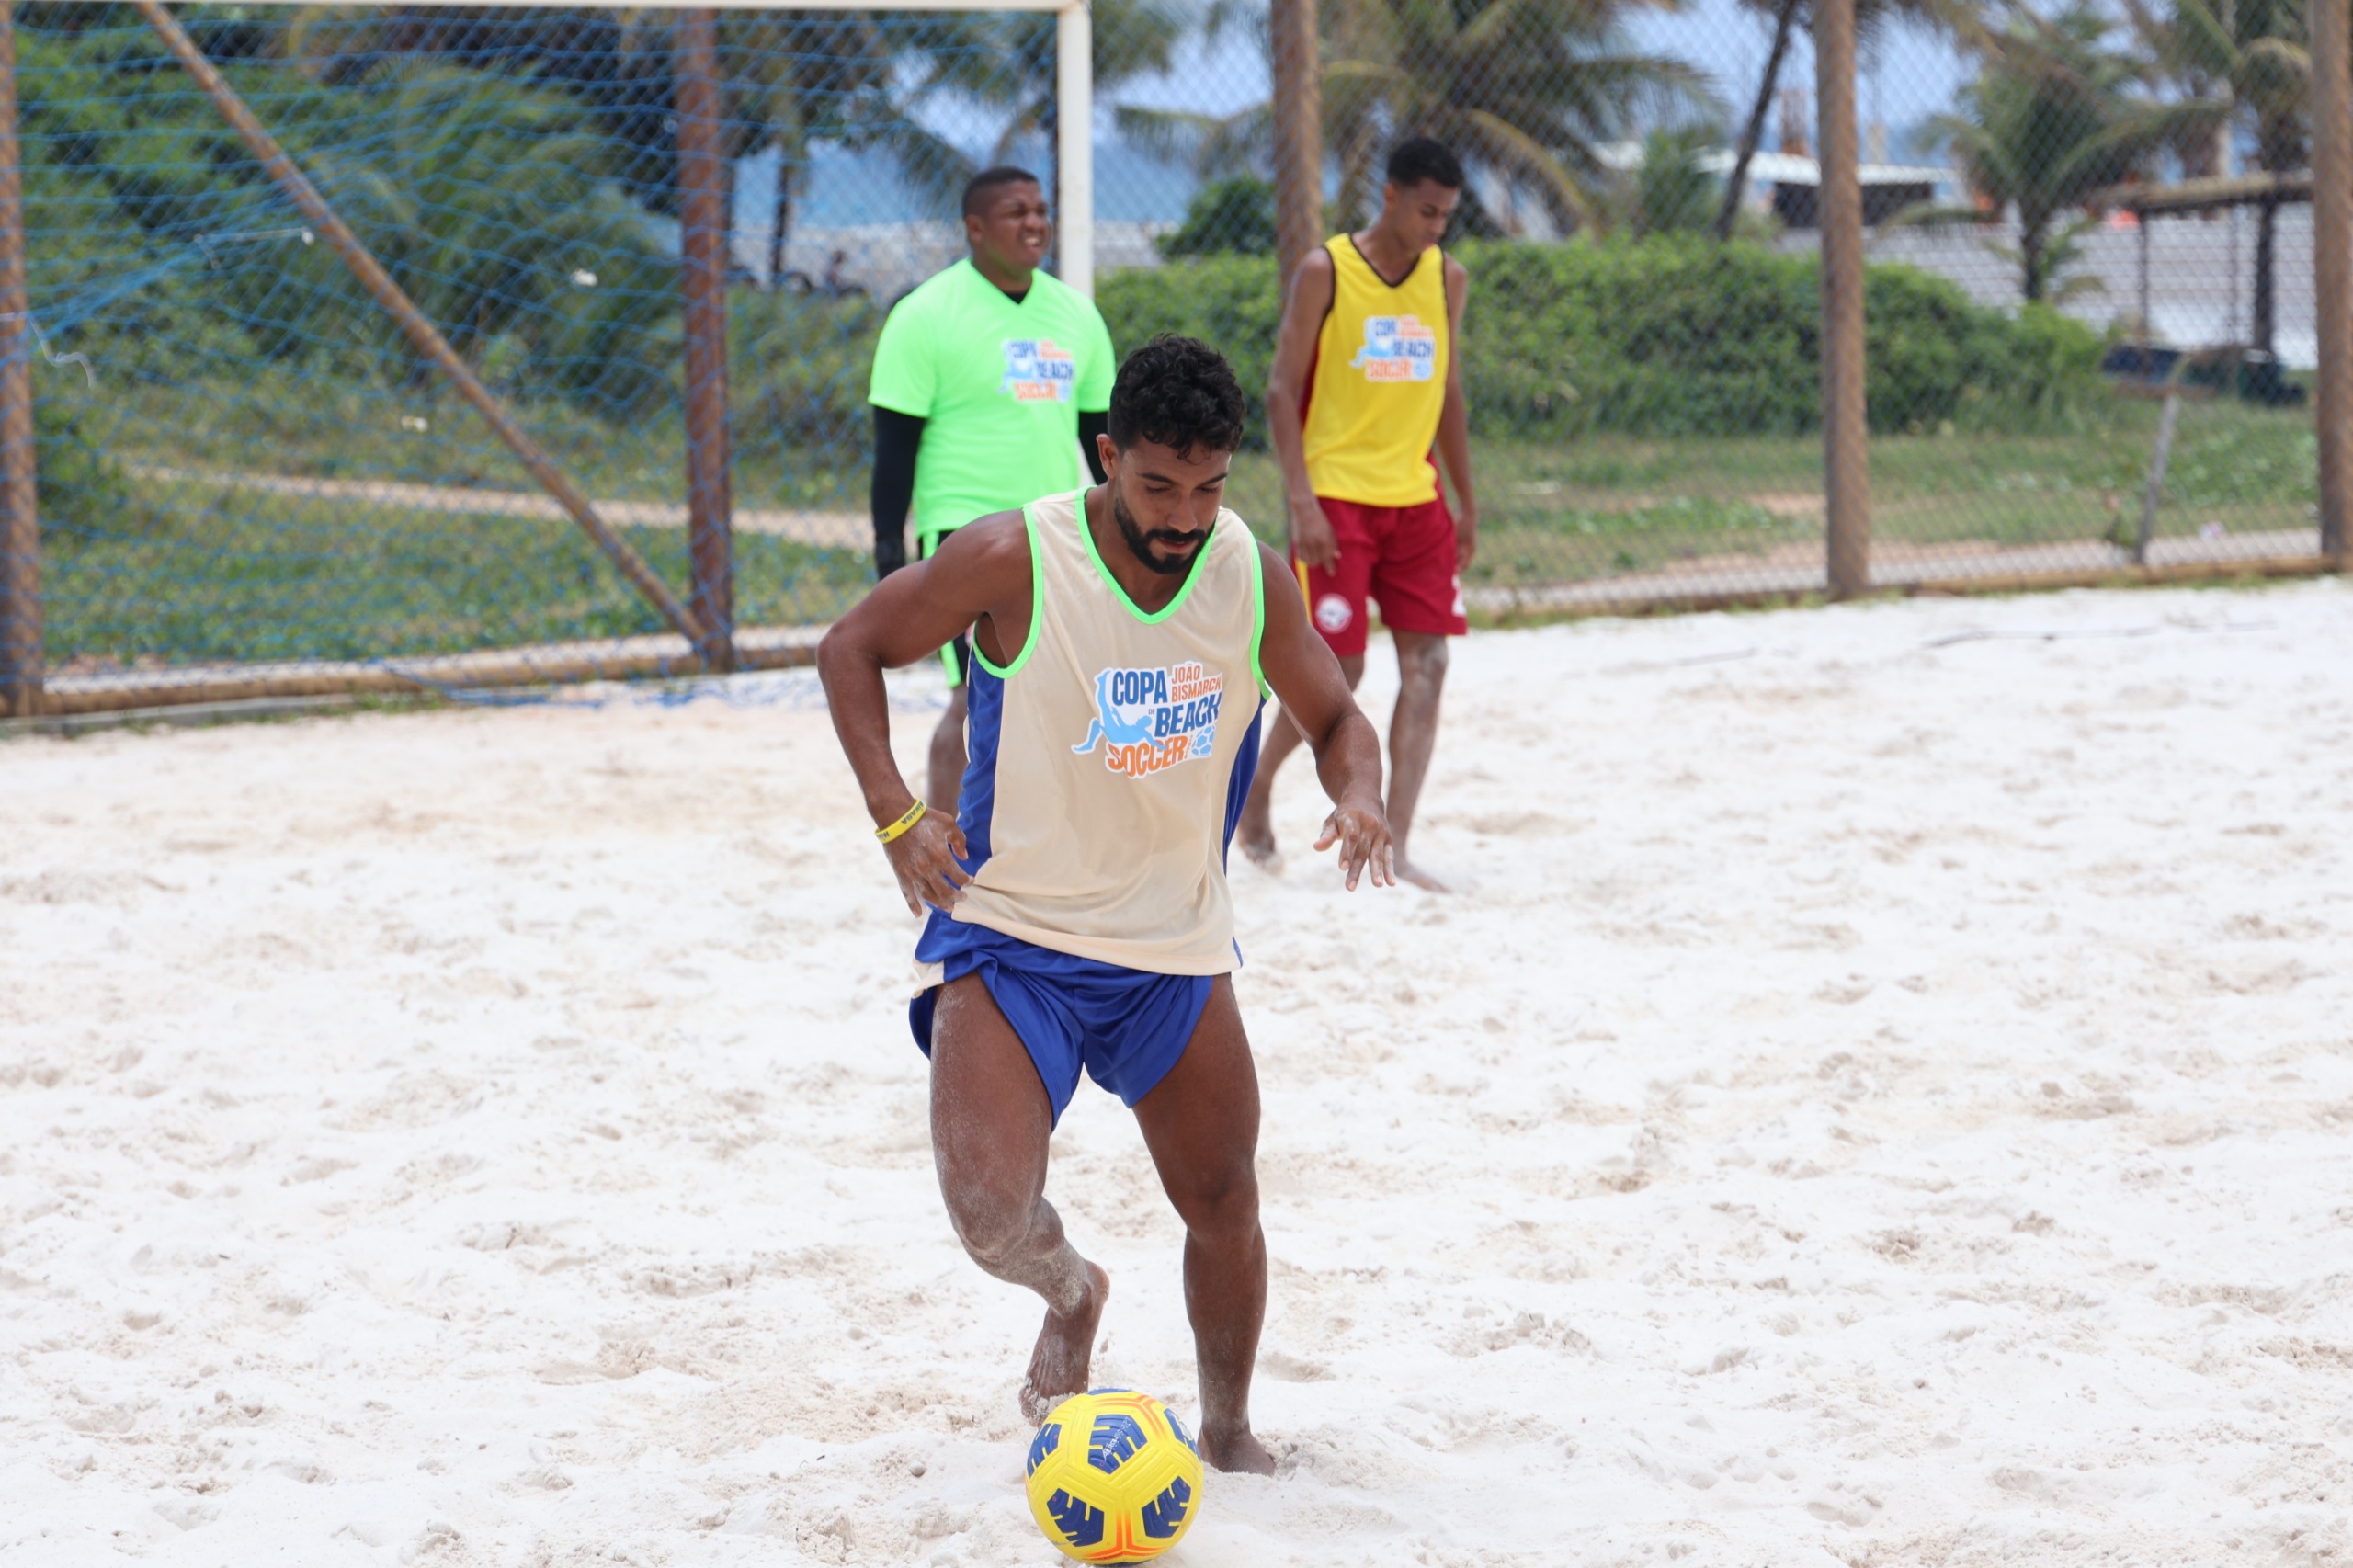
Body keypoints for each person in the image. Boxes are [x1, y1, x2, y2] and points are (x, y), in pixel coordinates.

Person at [817, 335, 1394, 1475]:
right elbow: (851, 646)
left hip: (1171, 948)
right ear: (1107, 454)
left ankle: (1225, 1429)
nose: (1184, 516)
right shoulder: (1015, 556)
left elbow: (1335, 718)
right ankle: (1072, 1292)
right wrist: (895, 813)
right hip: (1016, 934)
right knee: (988, 1211)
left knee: (1224, 1196)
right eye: (1157, 486)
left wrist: (1362, 792)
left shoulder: (1247, 572)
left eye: (1209, 487)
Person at [1235, 136, 1477, 892]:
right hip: (1336, 499)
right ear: (1392, 196)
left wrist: (1467, 499)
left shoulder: (1448, 279)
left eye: (1448, 216)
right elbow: (1280, 390)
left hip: (1416, 499)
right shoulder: (1327, 271)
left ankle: (1397, 846)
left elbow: (1447, 393)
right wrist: (1300, 499)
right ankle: (1259, 785)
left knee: (1430, 666)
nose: (1437, 227)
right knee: (1335, 670)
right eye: (1428, 211)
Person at [869, 165, 1117, 817]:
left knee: (1060, 693)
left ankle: (1043, 840)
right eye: (1016, 212)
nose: (1035, 223)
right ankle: (941, 846)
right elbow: (893, 448)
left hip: (1058, 531)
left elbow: (1105, 442)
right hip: (961, 532)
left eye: (1040, 210)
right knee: (971, 694)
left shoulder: (1075, 315)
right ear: (975, 228)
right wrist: (888, 550)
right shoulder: (924, 316)